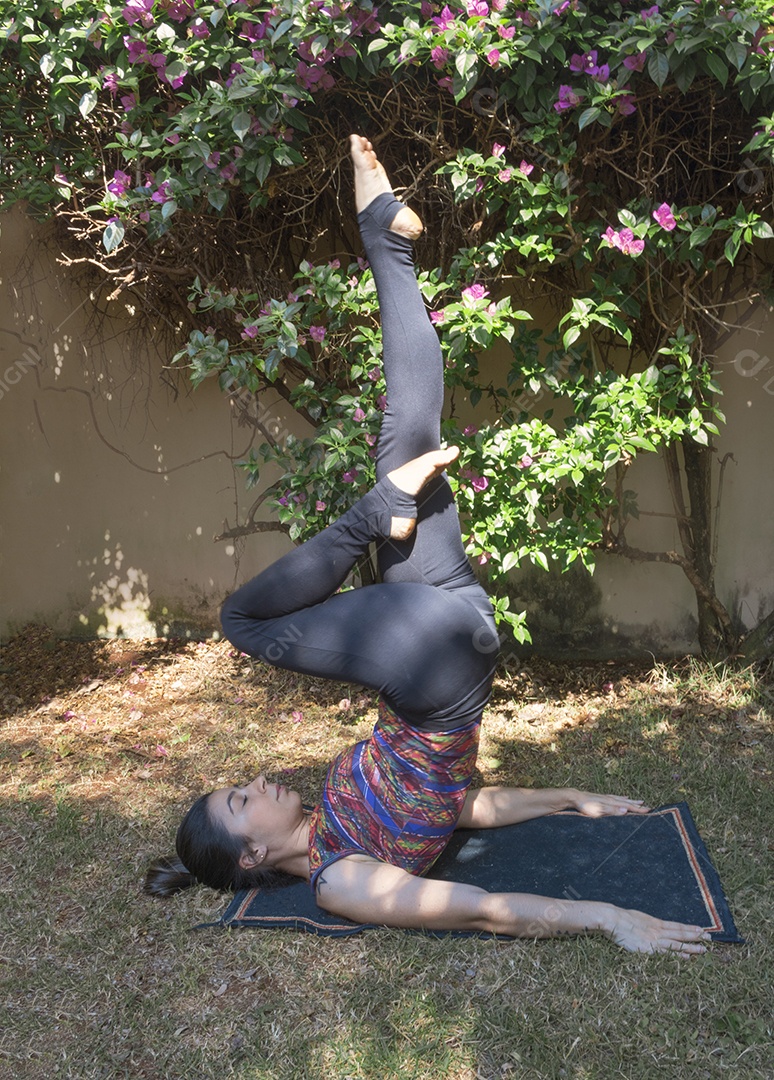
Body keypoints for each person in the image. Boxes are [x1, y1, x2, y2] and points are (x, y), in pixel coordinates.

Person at [146, 136, 711, 956]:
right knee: (241, 623)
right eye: (243, 800)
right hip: (436, 673)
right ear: (254, 854)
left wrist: (569, 796)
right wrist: (612, 919)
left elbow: (461, 803)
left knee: (409, 438)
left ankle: (386, 234)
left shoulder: (337, 806)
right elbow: (478, 907)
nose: (259, 782)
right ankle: (376, 513)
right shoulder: (341, 878)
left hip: (445, 639)